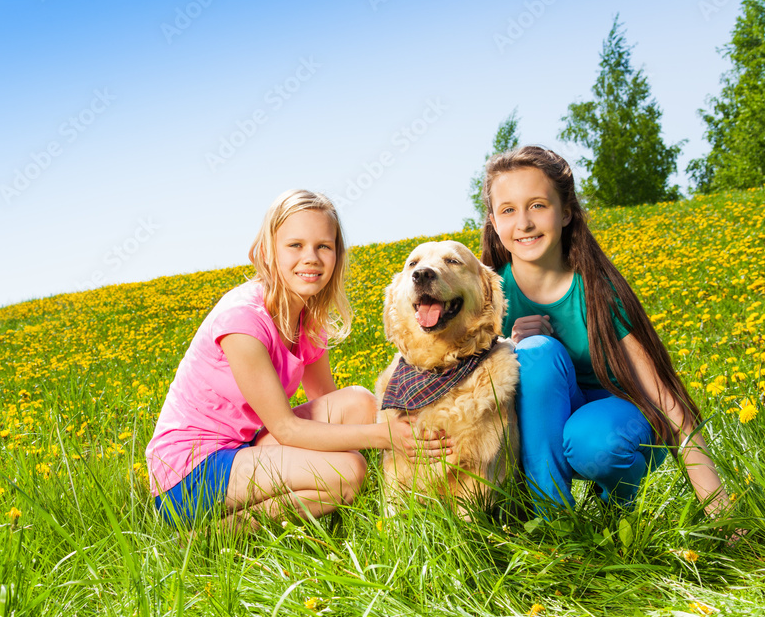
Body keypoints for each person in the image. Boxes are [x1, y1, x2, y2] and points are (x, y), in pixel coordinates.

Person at [146, 189, 451, 527]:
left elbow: (327, 402)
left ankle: (399, 491)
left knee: (361, 403)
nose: (312, 258)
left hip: (245, 447)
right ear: (267, 252)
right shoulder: (243, 321)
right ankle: (220, 533)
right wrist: (384, 436)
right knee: (348, 472)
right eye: (295, 245)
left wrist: (406, 430)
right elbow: (287, 429)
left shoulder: (307, 318)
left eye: (324, 246)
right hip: (189, 473)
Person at [478, 146, 730, 519]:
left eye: (538, 205)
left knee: (593, 442)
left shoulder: (597, 290)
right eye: (509, 210)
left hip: (621, 418)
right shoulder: (486, 296)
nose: (525, 223)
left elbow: (665, 399)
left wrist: (722, 510)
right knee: (535, 353)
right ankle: (554, 526)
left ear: (566, 213)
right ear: (494, 223)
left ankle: (617, 512)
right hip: (540, 424)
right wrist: (507, 348)